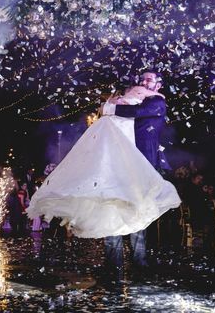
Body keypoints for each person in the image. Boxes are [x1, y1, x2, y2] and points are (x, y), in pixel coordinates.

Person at [26, 71, 181, 271]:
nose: (144, 82)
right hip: (118, 165)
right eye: (142, 79)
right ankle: (113, 263)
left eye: (149, 79)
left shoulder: (157, 102)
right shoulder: (131, 99)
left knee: (137, 210)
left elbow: (133, 113)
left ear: (158, 85)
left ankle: (138, 262)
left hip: (140, 166)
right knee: (112, 207)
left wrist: (110, 106)